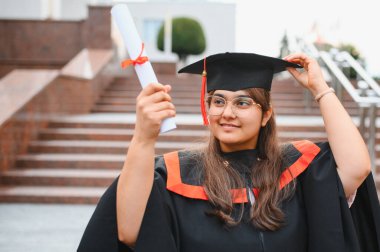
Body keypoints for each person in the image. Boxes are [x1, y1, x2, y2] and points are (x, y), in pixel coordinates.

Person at [77, 52, 380, 252]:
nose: (227, 113)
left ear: (266, 115)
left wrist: (321, 89)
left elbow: (356, 167)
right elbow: (129, 231)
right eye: (218, 101)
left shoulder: (298, 169)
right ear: (207, 109)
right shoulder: (175, 175)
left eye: (243, 103)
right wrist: (143, 137)